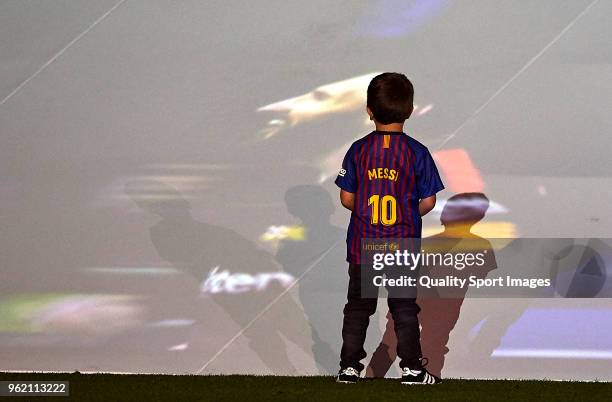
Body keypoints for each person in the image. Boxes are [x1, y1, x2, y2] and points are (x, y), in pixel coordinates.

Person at [334, 72, 444, 384]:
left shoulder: (358, 150)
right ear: (410, 110)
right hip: (401, 244)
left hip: (363, 244)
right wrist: (406, 214)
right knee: (404, 309)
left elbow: (346, 198)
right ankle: (411, 369)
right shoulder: (416, 152)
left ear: (369, 110)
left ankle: (349, 368)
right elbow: (429, 200)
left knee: (358, 308)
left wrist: (368, 211)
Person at [366, 192, 497, 378]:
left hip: (418, 300)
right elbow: (479, 276)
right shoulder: (479, 245)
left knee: (395, 339)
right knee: (431, 342)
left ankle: (373, 377)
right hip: (442, 303)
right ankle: (428, 377)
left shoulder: (423, 243)